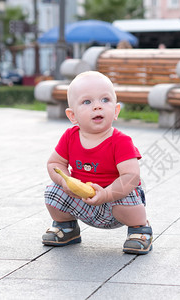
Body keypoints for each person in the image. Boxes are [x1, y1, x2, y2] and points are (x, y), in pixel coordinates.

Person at [42, 71, 153, 255]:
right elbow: (54, 163)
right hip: (82, 200)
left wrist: (108, 194)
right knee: (53, 192)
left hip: (115, 203)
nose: (97, 107)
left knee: (127, 193)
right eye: (87, 102)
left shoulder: (120, 141)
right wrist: (65, 181)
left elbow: (131, 176)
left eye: (105, 100)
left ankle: (139, 229)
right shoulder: (70, 137)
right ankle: (67, 227)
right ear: (72, 116)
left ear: (116, 110)